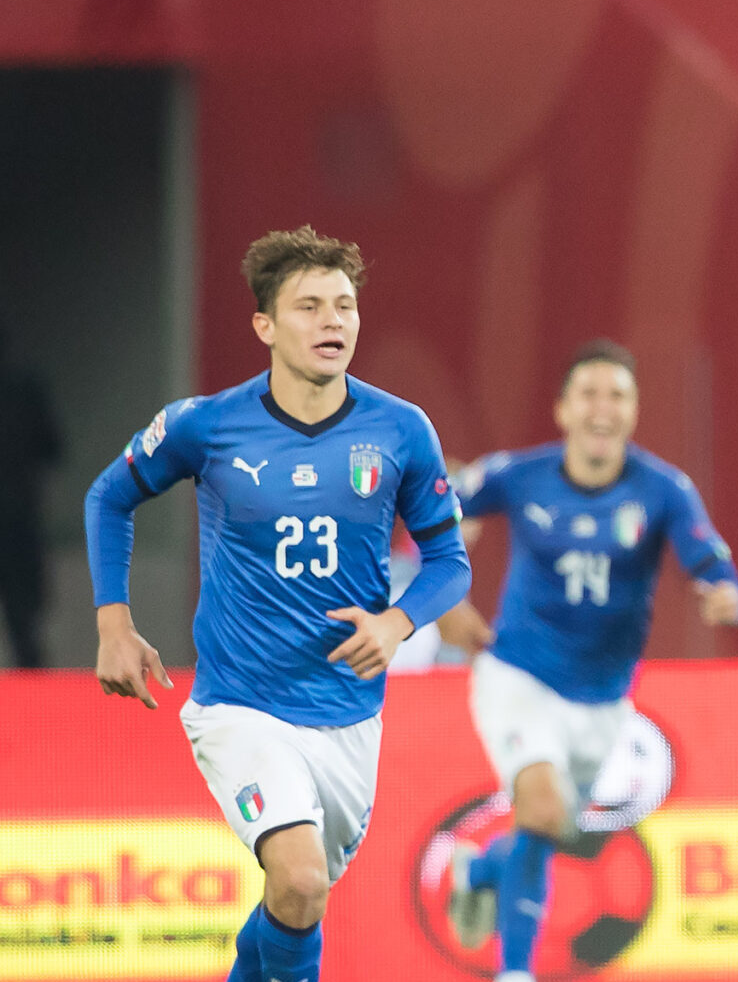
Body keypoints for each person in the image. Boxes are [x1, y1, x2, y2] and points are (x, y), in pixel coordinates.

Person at [83, 227, 471, 982]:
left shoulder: (401, 428)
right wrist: (113, 622)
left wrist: (397, 621)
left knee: (295, 902)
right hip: (241, 704)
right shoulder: (207, 424)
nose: (333, 321)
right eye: (309, 306)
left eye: (345, 305)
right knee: (298, 878)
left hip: (350, 715)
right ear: (264, 324)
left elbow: (448, 562)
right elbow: (110, 496)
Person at [433, 340, 738, 982]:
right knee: (543, 809)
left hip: (603, 699)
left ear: (633, 412)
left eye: (618, 396)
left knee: (545, 831)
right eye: (590, 395)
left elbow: (710, 561)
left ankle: (481, 869)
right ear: (563, 410)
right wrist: (444, 602)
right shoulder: (520, 475)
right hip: (518, 675)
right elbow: (430, 507)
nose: (603, 409)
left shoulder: (663, 490)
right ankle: (515, 971)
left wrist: (724, 593)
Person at [0, 327, 60, 668]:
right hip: (20, 518)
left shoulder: (25, 391)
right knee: (25, 628)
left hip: (19, 520)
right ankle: (32, 711)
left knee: (25, 626)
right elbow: (51, 448)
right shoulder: (24, 391)